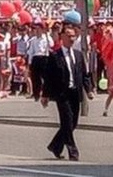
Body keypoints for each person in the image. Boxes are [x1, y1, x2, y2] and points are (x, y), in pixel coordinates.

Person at [41, 24, 94, 162]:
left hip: (75, 93)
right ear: (62, 37)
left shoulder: (78, 55)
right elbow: (48, 77)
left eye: (73, 36)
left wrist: (88, 90)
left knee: (73, 123)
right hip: (62, 94)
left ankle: (55, 146)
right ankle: (73, 151)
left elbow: (84, 75)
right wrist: (45, 95)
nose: (72, 39)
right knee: (67, 122)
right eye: (69, 36)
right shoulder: (54, 56)